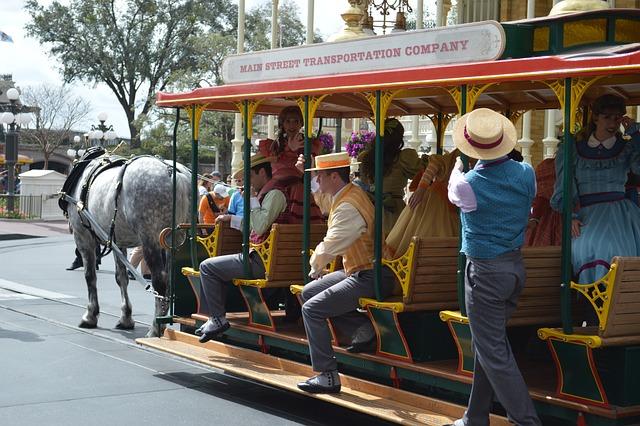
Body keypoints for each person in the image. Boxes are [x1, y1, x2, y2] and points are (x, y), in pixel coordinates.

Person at [446, 108, 540, 426]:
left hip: (485, 272)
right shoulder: (527, 172)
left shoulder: (467, 184)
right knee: (490, 344)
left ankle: (525, 420)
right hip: (514, 269)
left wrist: (458, 166)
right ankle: (475, 416)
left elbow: (453, 188)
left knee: (492, 350)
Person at [296, 152, 395, 394]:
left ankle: (327, 375)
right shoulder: (346, 194)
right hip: (359, 271)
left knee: (312, 309)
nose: (317, 179)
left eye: (319, 175)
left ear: (333, 176)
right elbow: (321, 201)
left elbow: (333, 242)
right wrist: (307, 175)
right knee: (308, 293)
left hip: (372, 275)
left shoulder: (348, 206)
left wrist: (315, 265)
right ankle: (362, 328)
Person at [197, 154, 323, 343]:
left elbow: (260, 225)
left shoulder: (275, 194)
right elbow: (257, 225)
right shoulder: (269, 193)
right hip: (266, 257)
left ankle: (217, 319)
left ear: (262, 172)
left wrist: (252, 199)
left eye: (249, 176)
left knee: (207, 267)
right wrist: (233, 219)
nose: (246, 182)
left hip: (261, 262)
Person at [551, 94, 640, 284]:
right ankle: (593, 305)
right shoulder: (572, 148)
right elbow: (565, 185)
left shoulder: (627, 147)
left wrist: (636, 135)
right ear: (596, 117)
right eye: (607, 117)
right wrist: (571, 215)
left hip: (620, 216)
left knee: (617, 252)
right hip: (586, 214)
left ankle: (617, 305)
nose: (613, 123)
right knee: (587, 249)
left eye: (617, 118)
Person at [385, 149, 463, 258]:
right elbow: (436, 163)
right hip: (438, 200)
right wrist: (422, 188)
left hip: (452, 202)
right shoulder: (463, 153)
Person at [357, 118, 423, 235]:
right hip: (393, 213)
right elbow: (421, 173)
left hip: (367, 210)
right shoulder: (403, 158)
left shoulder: (365, 158)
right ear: (399, 139)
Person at [258, 106, 322, 222]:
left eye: (295, 121)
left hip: (295, 189)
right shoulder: (274, 145)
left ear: (301, 124)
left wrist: (296, 150)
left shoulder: (307, 144)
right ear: (282, 123)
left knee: (295, 220)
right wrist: (289, 148)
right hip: (275, 186)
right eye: (288, 121)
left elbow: (309, 165)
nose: (292, 125)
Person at [525, 157, 562, 247]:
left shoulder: (579, 165)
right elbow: (541, 195)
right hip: (549, 217)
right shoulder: (548, 166)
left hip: (572, 216)